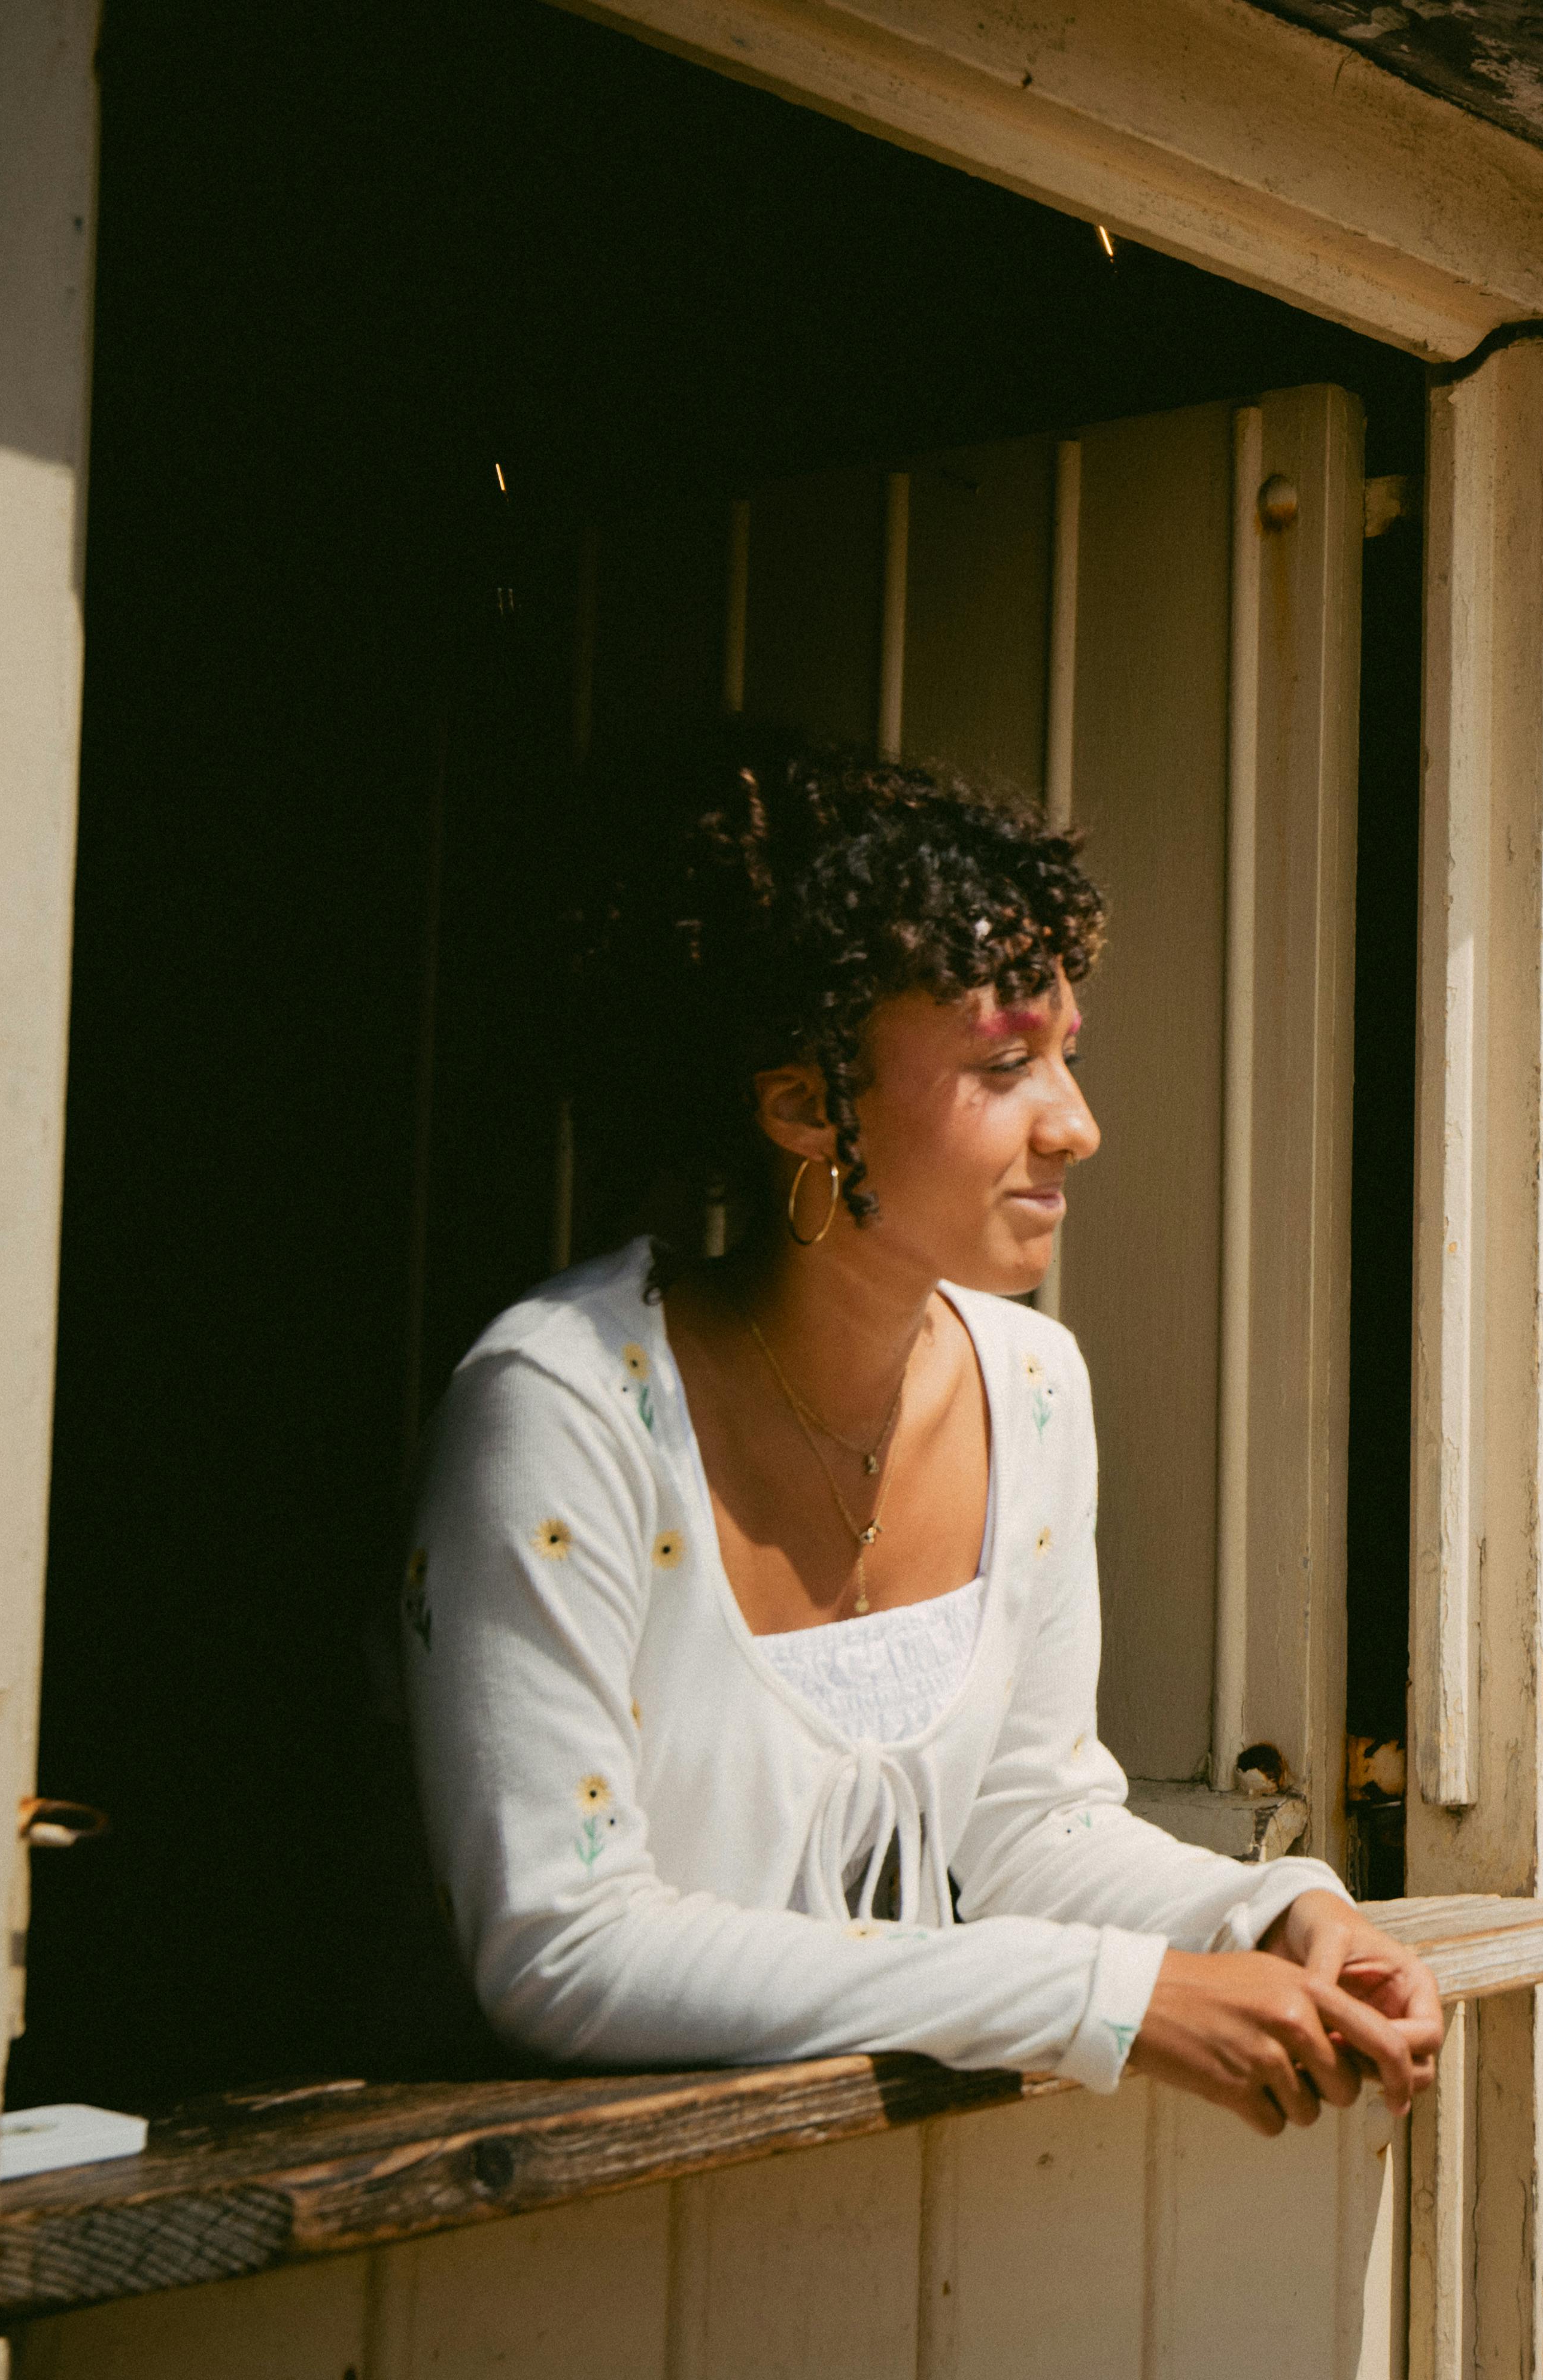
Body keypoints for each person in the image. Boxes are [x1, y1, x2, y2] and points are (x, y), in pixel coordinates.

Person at [404, 740, 1438, 2135]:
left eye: (1066, 1056)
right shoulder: (567, 1402)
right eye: (1005, 1064)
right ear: (798, 1104)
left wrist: (1279, 1909)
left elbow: (1030, 1830)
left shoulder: (1037, 1386)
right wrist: (1109, 1995)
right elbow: (562, 1947)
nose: (1077, 1126)